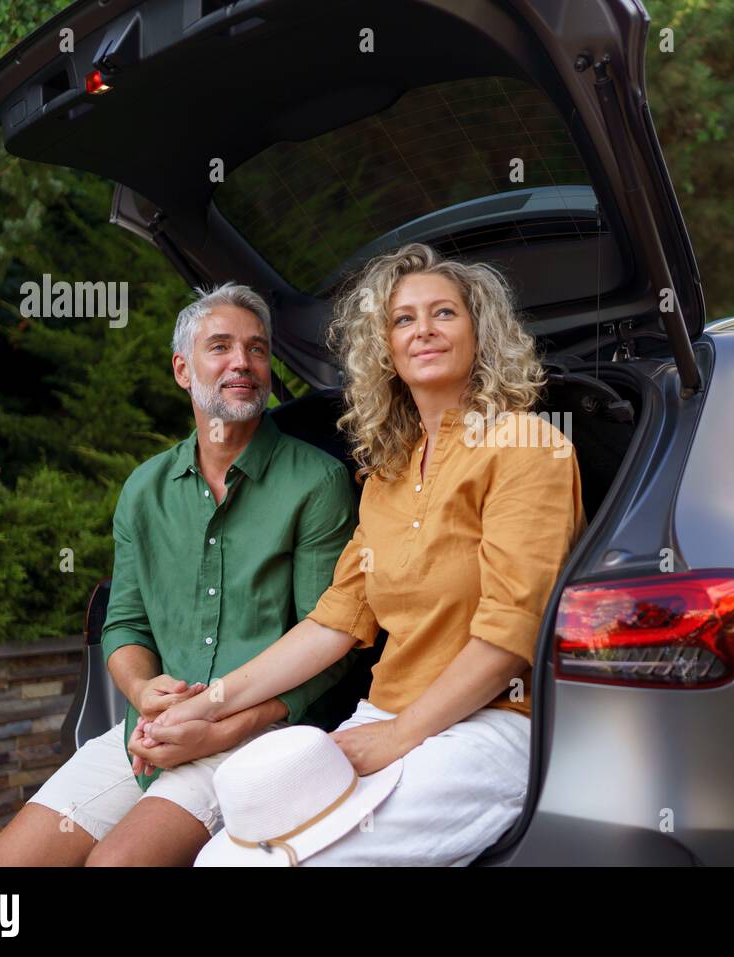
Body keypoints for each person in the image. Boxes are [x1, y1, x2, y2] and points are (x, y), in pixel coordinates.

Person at [148, 242, 587, 865]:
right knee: (223, 861)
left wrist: (401, 736)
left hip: (490, 725)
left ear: (480, 332)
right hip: (382, 714)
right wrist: (207, 701)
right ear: (383, 347)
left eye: (445, 313)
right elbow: (333, 622)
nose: (423, 331)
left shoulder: (527, 449)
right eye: (403, 319)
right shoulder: (387, 475)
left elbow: (510, 636)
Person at [0, 283, 358, 866]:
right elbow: (124, 622)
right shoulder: (144, 489)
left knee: (116, 865)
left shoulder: (318, 483)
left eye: (256, 349)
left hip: (259, 736)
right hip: (146, 731)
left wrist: (220, 729)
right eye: (219, 346)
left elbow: (329, 646)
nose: (241, 363)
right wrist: (142, 691)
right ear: (183, 368)